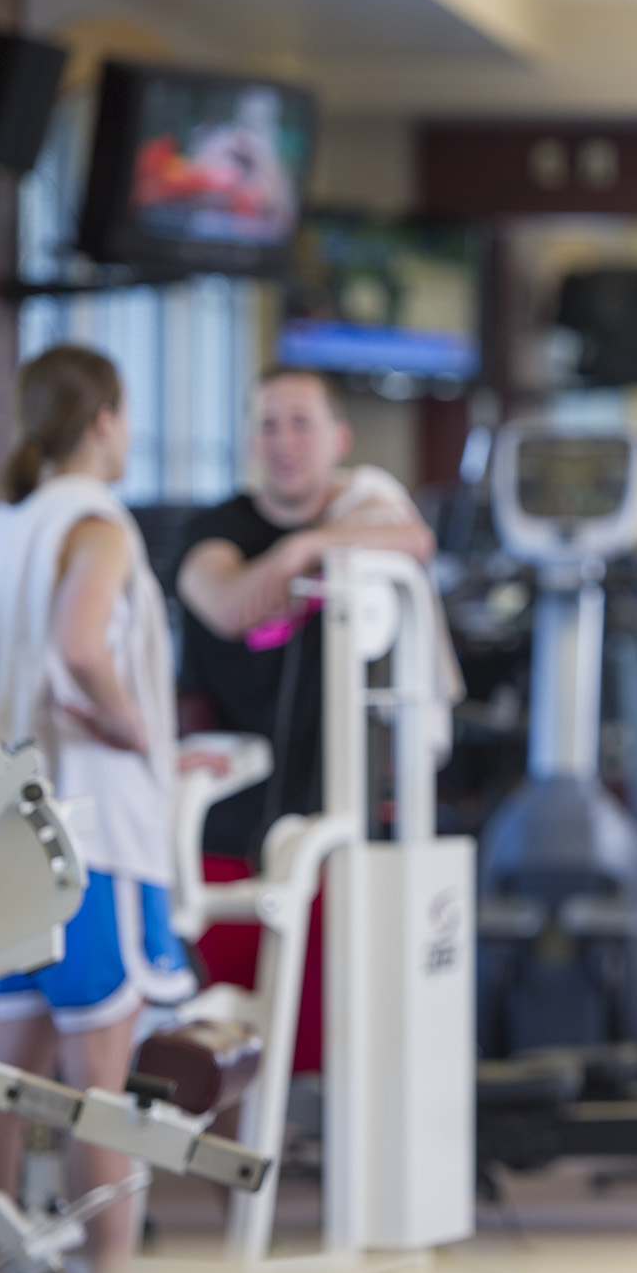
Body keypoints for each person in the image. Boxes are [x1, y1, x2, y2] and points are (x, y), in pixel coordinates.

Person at [0, 346, 198, 1273]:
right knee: (104, 1075)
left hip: (6, 835)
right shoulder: (95, 523)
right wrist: (139, 730)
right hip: (90, 834)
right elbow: (76, 654)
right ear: (105, 416)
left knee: (8, 1062)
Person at [174, 367, 444, 1074]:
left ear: (338, 439)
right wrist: (297, 550)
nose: (285, 442)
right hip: (231, 827)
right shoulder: (216, 530)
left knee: (343, 1035)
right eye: (268, 424)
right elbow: (230, 604)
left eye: (301, 423)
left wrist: (307, 546)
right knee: (234, 1044)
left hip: (339, 824)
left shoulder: (363, 518)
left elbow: (416, 539)